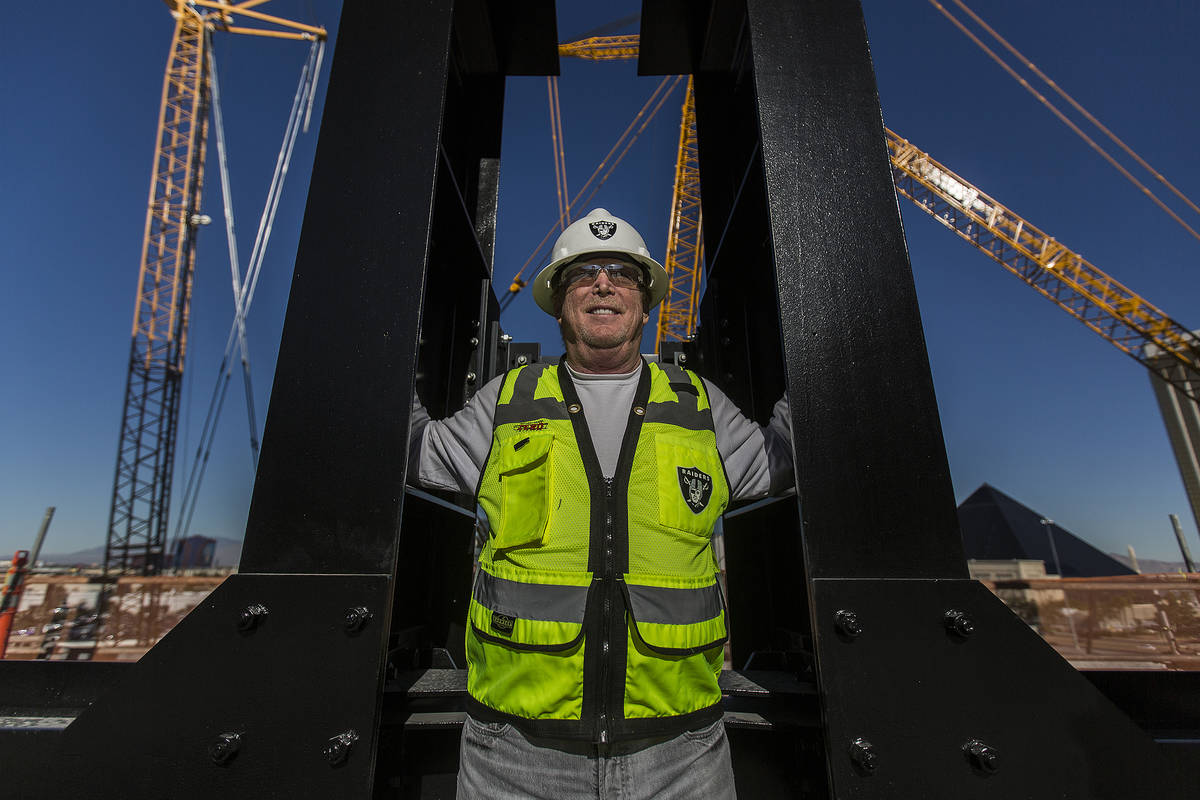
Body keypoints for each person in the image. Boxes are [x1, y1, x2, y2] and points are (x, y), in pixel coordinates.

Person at [409, 208, 792, 799]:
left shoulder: (698, 406)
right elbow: (414, 451)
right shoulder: (508, 401)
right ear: (560, 302)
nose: (603, 284)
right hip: (513, 755)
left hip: (681, 755)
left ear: (645, 303)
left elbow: (783, 460)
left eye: (622, 274)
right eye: (583, 274)